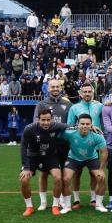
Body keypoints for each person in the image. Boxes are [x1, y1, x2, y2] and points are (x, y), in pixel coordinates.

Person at [19, 109, 70, 216]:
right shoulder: (29, 129)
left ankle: (55, 206)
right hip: (33, 156)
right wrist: (26, 167)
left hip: (50, 156)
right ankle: (29, 207)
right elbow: (23, 147)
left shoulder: (56, 126)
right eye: (43, 120)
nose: (46, 122)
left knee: (57, 177)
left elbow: (72, 126)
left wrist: (90, 126)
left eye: (48, 120)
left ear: (51, 119)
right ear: (38, 119)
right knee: (24, 180)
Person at [32, 79, 72, 211]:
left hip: (63, 144)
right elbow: (36, 123)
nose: (55, 88)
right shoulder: (41, 104)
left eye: (57, 86)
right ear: (48, 88)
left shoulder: (68, 104)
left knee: (60, 174)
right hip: (46, 144)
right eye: (52, 87)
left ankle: (60, 200)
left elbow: (72, 124)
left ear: (61, 88)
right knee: (43, 173)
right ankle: (43, 202)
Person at [60, 114, 108, 214]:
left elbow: (104, 152)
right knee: (66, 178)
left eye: (87, 124)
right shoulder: (69, 133)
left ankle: (98, 204)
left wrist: (101, 169)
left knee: (101, 177)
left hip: (92, 158)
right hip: (73, 158)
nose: (85, 126)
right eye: (82, 124)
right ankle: (68, 205)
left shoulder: (97, 135)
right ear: (77, 124)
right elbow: (56, 131)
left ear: (91, 125)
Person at [66, 83, 104, 209]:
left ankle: (93, 198)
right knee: (77, 173)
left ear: (93, 93)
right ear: (81, 93)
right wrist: (85, 126)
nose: (87, 94)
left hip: (94, 144)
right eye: (85, 92)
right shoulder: (74, 108)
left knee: (94, 173)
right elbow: (69, 125)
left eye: (89, 91)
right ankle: (76, 199)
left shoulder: (100, 106)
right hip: (78, 144)